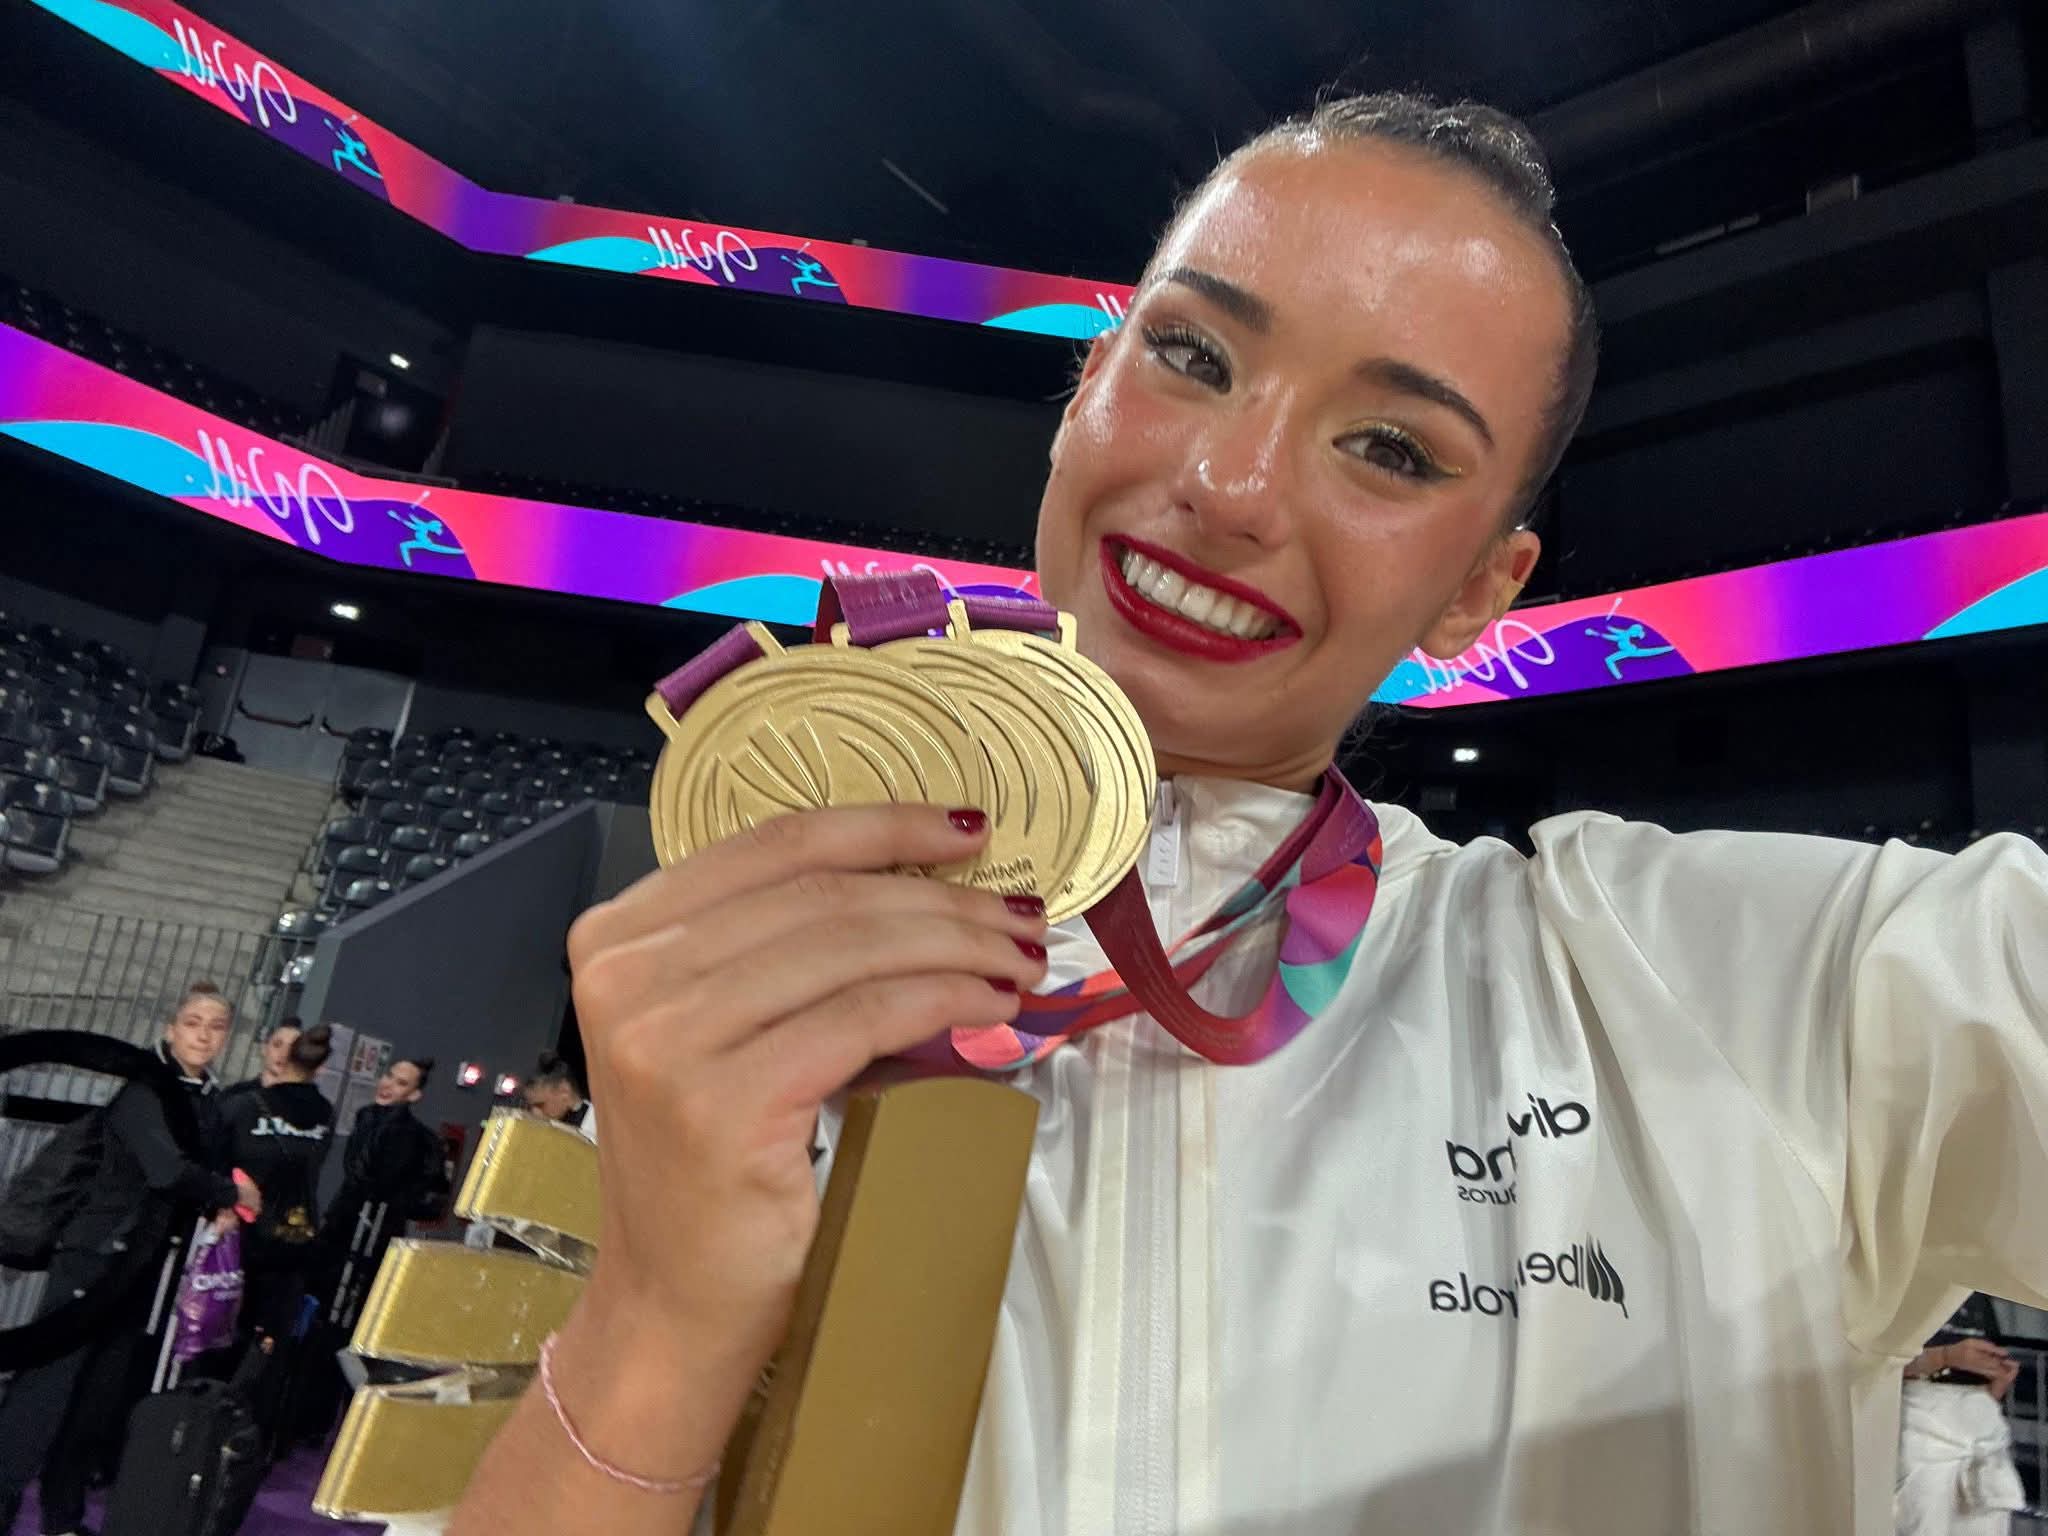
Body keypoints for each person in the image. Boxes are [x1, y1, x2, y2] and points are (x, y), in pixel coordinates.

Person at [451, 92, 2048, 1536]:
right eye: (1194, 355)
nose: (1232, 483)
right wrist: (659, 1326)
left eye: (1391, 448)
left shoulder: (1746, 993)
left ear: (1480, 590)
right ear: (1086, 388)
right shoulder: (758, 991)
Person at [0, 981, 260, 1536]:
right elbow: (166, 1170)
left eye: (216, 1026)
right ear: (171, 1028)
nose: (204, 1034)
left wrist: (216, 1204)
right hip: (94, 1260)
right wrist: (228, 1194)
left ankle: (62, 1518)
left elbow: (181, 1181)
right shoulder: (148, 1091)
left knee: (96, 1401)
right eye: (193, 1022)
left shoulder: (205, 1099)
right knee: (44, 1390)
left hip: (139, 1270)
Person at [214, 1021, 335, 1443]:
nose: (282, 1052)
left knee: (266, 1343)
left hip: (282, 1242)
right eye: (277, 1043)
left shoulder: (312, 1109)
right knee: (222, 1334)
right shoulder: (236, 1101)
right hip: (235, 1239)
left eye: (292, 1046)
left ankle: (244, 1434)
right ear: (266, 1048)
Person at [1896, 1296, 2028, 1534]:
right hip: (1921, 1425)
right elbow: (1872, 1362)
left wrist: (1996, 1384)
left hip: (1981, 1424)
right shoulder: (1899, 1278)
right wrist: (1945, 1356)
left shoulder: (1976, 1290)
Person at [521, 1052, 596, 1143]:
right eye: (529, 1107)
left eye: (540, 1105)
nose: (534, 1112)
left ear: (564, 1091)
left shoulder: (602, 1125)